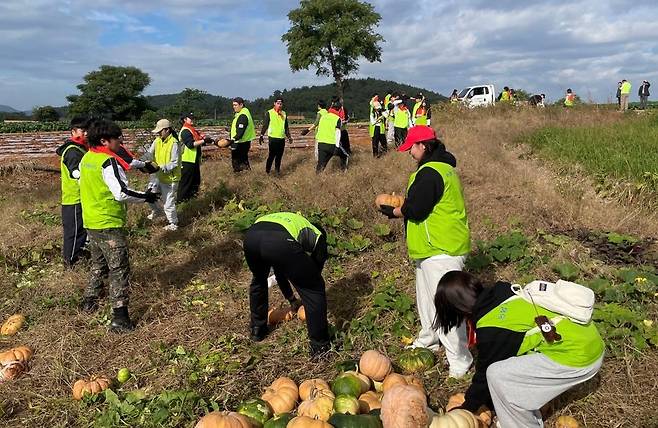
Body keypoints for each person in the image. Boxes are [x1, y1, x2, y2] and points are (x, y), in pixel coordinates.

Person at [433, 271, 604, 428]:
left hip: (580, 358)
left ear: (456, 309)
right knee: (504, 372)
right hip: (590, 342)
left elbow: (484, 376)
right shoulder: (502, 292)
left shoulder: (492, 329)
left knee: (496, 374)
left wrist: (467, 407)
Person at [378, 126, 472, 378]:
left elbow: (417, 208)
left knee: (447, 307)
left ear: (423, 146)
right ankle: (429, 338)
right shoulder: (442, 168)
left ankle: (460, 360)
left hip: (441, 248)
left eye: (412, 148)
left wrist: (394, 212)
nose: (410, 152)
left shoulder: (431, 172)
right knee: (427, 301)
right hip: (430, 248)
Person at [78, 119, 160, 332]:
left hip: (91, 221)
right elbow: (121, 192)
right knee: (119, 268)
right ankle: (120, 317)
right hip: (108, 223)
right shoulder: (107, 162)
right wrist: (147, 197)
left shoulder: (87, 158)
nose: (120, 142)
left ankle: (89, 300)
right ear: (105, 141)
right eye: (117, 138)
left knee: (99, 263)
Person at [243, 212, 331, 357]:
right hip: (279, 240)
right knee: (314, 288)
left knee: (259, 281)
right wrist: (307, 289)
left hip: (252, 237)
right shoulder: (318, 235)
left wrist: (292, 299)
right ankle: (320, 346)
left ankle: (257, 329)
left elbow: (280, 270)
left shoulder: (293, 224)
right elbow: (314, 273)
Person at [56, 116, 89, 267]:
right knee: (74, 233)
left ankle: (77, 258)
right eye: (83, 130)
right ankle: (70, 264)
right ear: (73, 131)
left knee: (80, 231)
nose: (86, 133)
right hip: (74, 198)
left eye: (88, 130)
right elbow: (75, 173)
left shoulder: (80, 148)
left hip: (80, 197)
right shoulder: (73, 151)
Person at [146, 119, 180, 231]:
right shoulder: (157, 141)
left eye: (160, 131)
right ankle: (157, 211)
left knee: (168, 202)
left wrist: (161, 167)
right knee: (149, 195)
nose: (158, 133)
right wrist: (141, 162)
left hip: (170, 177)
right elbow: (149, 154)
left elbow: (174, 163)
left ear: (167, 130)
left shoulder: (174, 143)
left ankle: (173, 223)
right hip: (157, 175)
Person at [259, 97, 293, 175]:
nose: (279, 105)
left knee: (279, 156)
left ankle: (277, 171)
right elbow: (265, 125)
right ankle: (267, 171)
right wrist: (261, 135)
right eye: (278, 103)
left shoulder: (284, 113)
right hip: (273, 138)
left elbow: (286, 126)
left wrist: (289, 136)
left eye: (281, 104)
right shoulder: (269, 113)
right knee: (271, 156)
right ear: (274, 103)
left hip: (281, 138)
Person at [177, 113, 206, 202]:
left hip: (193, 160)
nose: (193, 120)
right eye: (191, 118)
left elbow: (198, 141)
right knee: (186, 183)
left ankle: (192, 201)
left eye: (194, 118)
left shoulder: (192, 130)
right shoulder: (185, 130)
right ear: (185, 119)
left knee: (195, 182)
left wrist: (205, 140)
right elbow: (190, 145)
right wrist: (203, 141)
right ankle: (181, 202)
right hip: (187, 161)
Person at [315, 98, 348, 172]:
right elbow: (337, 133)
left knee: (321, 163)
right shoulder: (337, 119)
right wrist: (337, 146)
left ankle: (317, 178)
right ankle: (343, 171)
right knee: (345, 155)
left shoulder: (323, 117)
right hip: (332, 144)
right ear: (339, 110)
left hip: (321, 143)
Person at [229, 97, 256, 172]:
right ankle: (247, 176)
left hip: (239, 142)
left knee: (237, 162)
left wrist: (232, 140)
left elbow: (241, 131)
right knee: (244, 160)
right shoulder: (244, 112)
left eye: (235, 105)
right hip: (245, 141)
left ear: (241, 105)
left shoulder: (243, 115)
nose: (234, 107)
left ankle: (239, 177)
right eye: (233, 105)